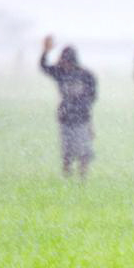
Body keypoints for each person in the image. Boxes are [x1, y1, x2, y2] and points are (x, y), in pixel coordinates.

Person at [39, 35, 97, 179]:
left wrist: (81, 107)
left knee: (84, 153)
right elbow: (44, 67)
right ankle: (68, 178)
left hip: (82, 118)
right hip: (65, 118)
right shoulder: (61, 73)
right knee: (67, 152)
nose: (63, 64)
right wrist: (45, 51)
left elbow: (92, 97)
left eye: (64, 61)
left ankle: (82, 179)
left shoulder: (86, 75)